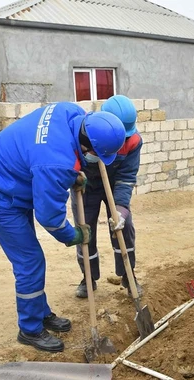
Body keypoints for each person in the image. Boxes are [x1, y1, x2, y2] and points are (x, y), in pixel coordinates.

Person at [0, 102, 126, 353]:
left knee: (32, 259)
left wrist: (73, 173)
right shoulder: (56, 163)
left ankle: (41, 313)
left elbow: (43, 153)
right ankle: (29, 329)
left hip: (12, 174)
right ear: (87, 146)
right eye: (96, 155)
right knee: (29, 261)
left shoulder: (69, 112)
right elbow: (50, 217)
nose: (96, 160)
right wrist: (73, 235)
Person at [71, 95, 143, 299]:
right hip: (86, 186)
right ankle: (88, 277)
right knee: (85, 231)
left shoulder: (134, 141)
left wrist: (120, 210)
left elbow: (127, 176)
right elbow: (68, 161)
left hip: (113, 186)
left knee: (124, 226)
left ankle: (128, 275)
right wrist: (76, 174)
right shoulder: (85, 131)